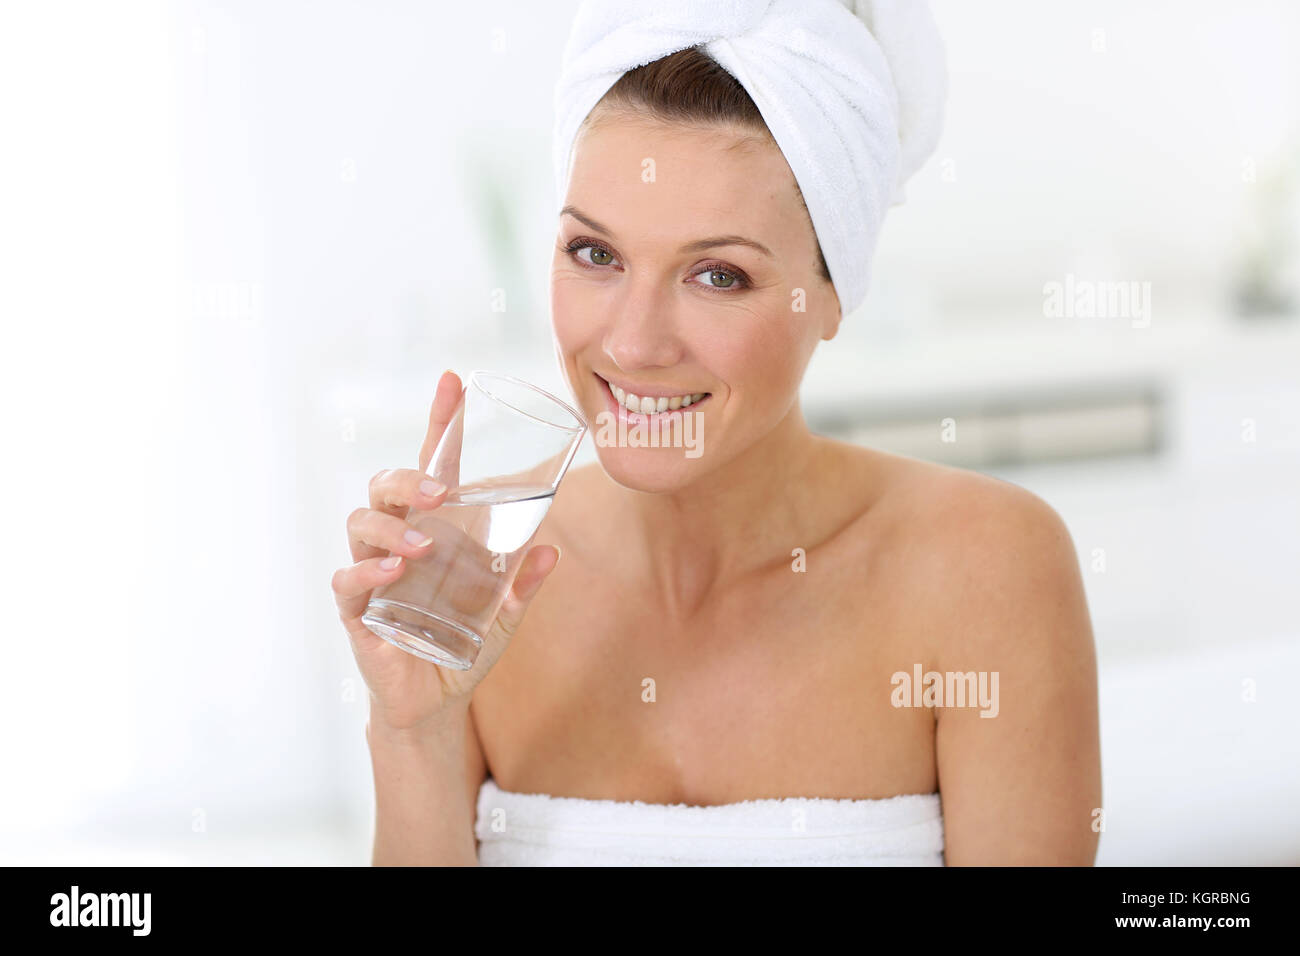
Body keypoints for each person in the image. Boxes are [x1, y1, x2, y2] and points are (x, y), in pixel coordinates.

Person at [332, 0, 1101, 866]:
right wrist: (412, 735)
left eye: (718, 275)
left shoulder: (987, 567)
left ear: (833, 293)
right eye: (596, 254)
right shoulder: (474, 586)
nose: (633, 343)